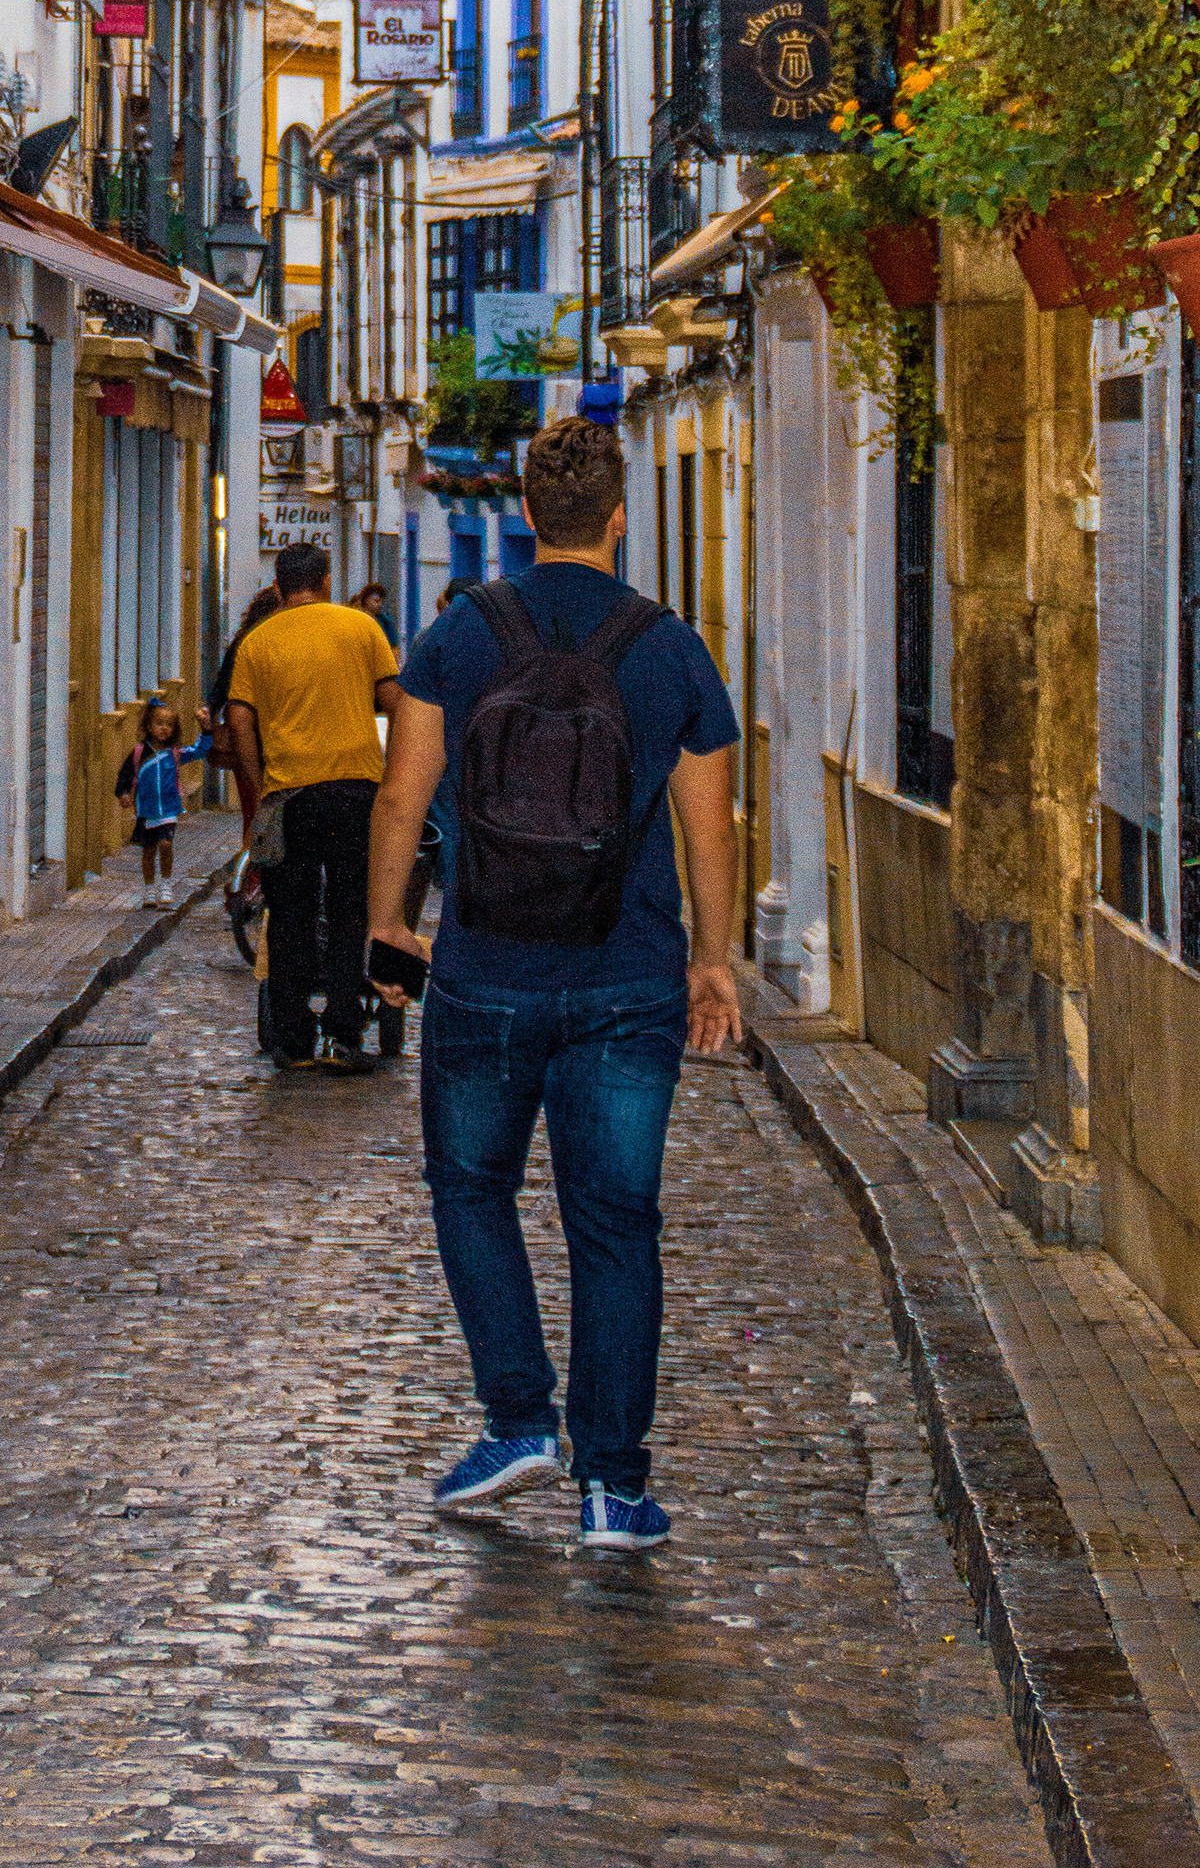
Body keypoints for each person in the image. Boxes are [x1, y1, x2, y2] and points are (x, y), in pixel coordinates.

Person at [368, 413, 740, 1552]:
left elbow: (400, 795)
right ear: (619, 517)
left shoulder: (455, 636)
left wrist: (389, 928)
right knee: (616, 1223)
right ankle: (614, 1489)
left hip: (483, 972)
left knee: (470, 1189)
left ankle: (519, 1419)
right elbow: (710, 827)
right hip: (628, 979)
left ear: (527, 513)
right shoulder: (672, 650)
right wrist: (712, 961)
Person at [225, 543, 399, 1071]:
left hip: (290, 794)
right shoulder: (362, 628)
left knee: (289, 916)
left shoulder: (257, 642)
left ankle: (295, 1040)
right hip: (354, 790)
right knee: (350, 911)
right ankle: (345, 1035)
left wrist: (259, 783)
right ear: (325, 581)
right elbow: (395, 701)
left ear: (279, 587)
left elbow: (239, 719)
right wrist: (397, 770)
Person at [116, 698, 208, 906]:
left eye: (169, 725)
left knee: (166, 845)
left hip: (169, 809)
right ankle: (149, 889)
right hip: (146, 811)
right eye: (159, 724)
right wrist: (122, 793)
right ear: (149, 726)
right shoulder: (139, 754)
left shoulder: (175, 754)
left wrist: (205, 729)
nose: (164, 728)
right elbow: (125, 775)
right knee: (148, 851)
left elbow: (200, 751)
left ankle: (166, 885)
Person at [203, 584, 280, 833]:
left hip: (258, 739)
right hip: (256, 738)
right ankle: (254, 856)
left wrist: (210, 708)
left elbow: (219, 688)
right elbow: (223, 685)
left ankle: (254, 854)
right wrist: (210, 711)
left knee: (254, 809)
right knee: (256, 809)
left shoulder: (247, 641)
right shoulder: (248, 643)